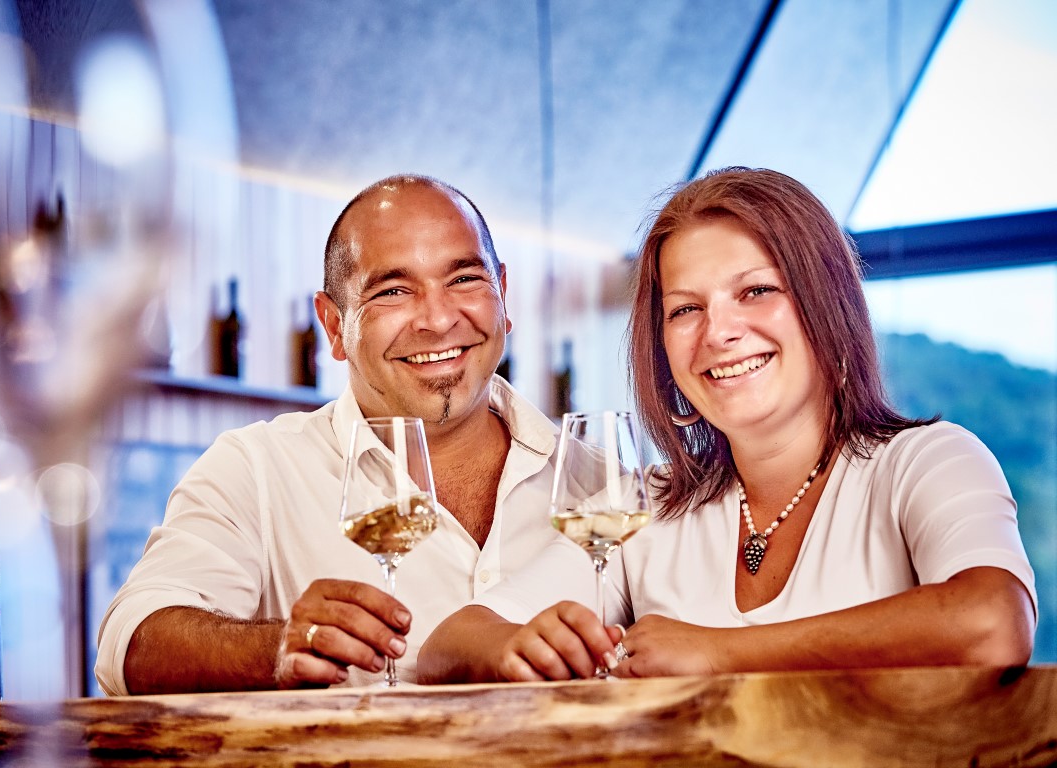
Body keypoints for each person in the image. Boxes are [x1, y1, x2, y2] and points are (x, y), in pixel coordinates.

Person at [417, 167, 1037, 683]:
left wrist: (719, 652)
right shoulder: (647, 506)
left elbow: (992, 624)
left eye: (755, 291)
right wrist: (518, 645)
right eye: (685, 309)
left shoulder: (928, 461)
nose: (718, 333)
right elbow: (449, 643)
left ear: (828, 304)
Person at [95, 175, 561, 693]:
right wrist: (276, 648)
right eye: (393, 291)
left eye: (464, 279)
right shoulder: (255, 468)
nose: (437, 318)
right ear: (335, 326)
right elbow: (130, 642)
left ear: (503, 295)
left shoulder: (599, 484)